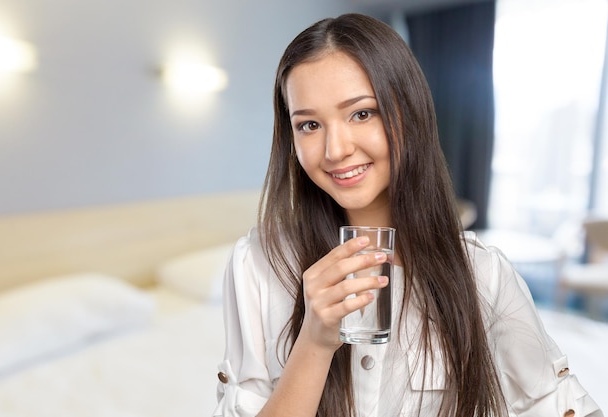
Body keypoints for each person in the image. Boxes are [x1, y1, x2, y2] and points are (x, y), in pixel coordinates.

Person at [212, 13, 603, 417]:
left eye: (361, 113)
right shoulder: (258, 265)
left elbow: (556, 405)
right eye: (309, 124)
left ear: (407, 114)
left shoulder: (482, 274)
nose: (335, 149)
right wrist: (313, 341)